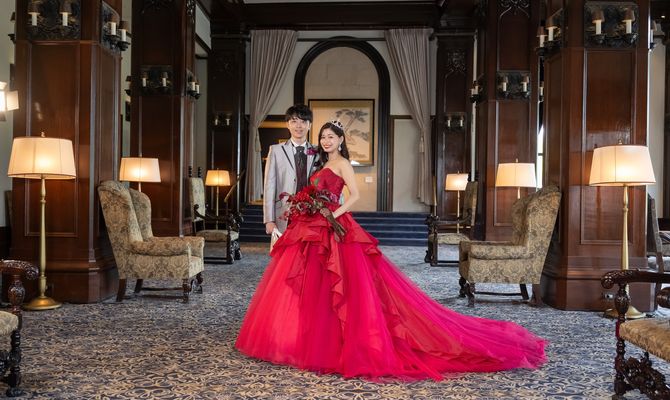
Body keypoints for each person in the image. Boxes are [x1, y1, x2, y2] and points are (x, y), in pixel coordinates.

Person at [236, 121, 547, 381]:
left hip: (334, 225)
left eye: (331, 137)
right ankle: (313, 338)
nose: (326, 141)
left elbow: (355, 196)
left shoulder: (342, 164)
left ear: (341, 140)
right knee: (317, 285)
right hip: (315, 225)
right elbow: (316, 192)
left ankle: (345, 342)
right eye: (323, 137)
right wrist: (310, 207)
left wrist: (334, 214)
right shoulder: (322, 163)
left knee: (346, 284)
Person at [263, 104, 319, 234]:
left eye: (303, 121)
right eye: (294, 121)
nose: (299, 126)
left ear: (309, 125)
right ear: (287, 124)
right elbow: (269, 186)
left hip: (311, 212)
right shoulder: (276, 150)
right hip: (284, 212)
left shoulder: (318, 152)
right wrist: (269, 220)